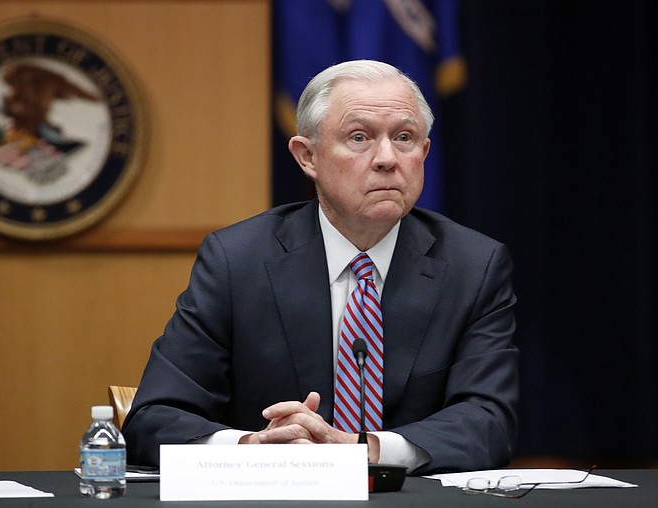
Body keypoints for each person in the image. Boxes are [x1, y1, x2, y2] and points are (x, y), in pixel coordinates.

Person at [122, 60, 518, 475]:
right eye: (359, 137)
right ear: (307, 157)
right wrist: (251, 446)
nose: (386, 158)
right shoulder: (237, 261)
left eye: (404, 137)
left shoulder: (473, 266)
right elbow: (154, 416)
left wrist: (360, 449)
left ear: (424, 153)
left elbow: (489, 424)